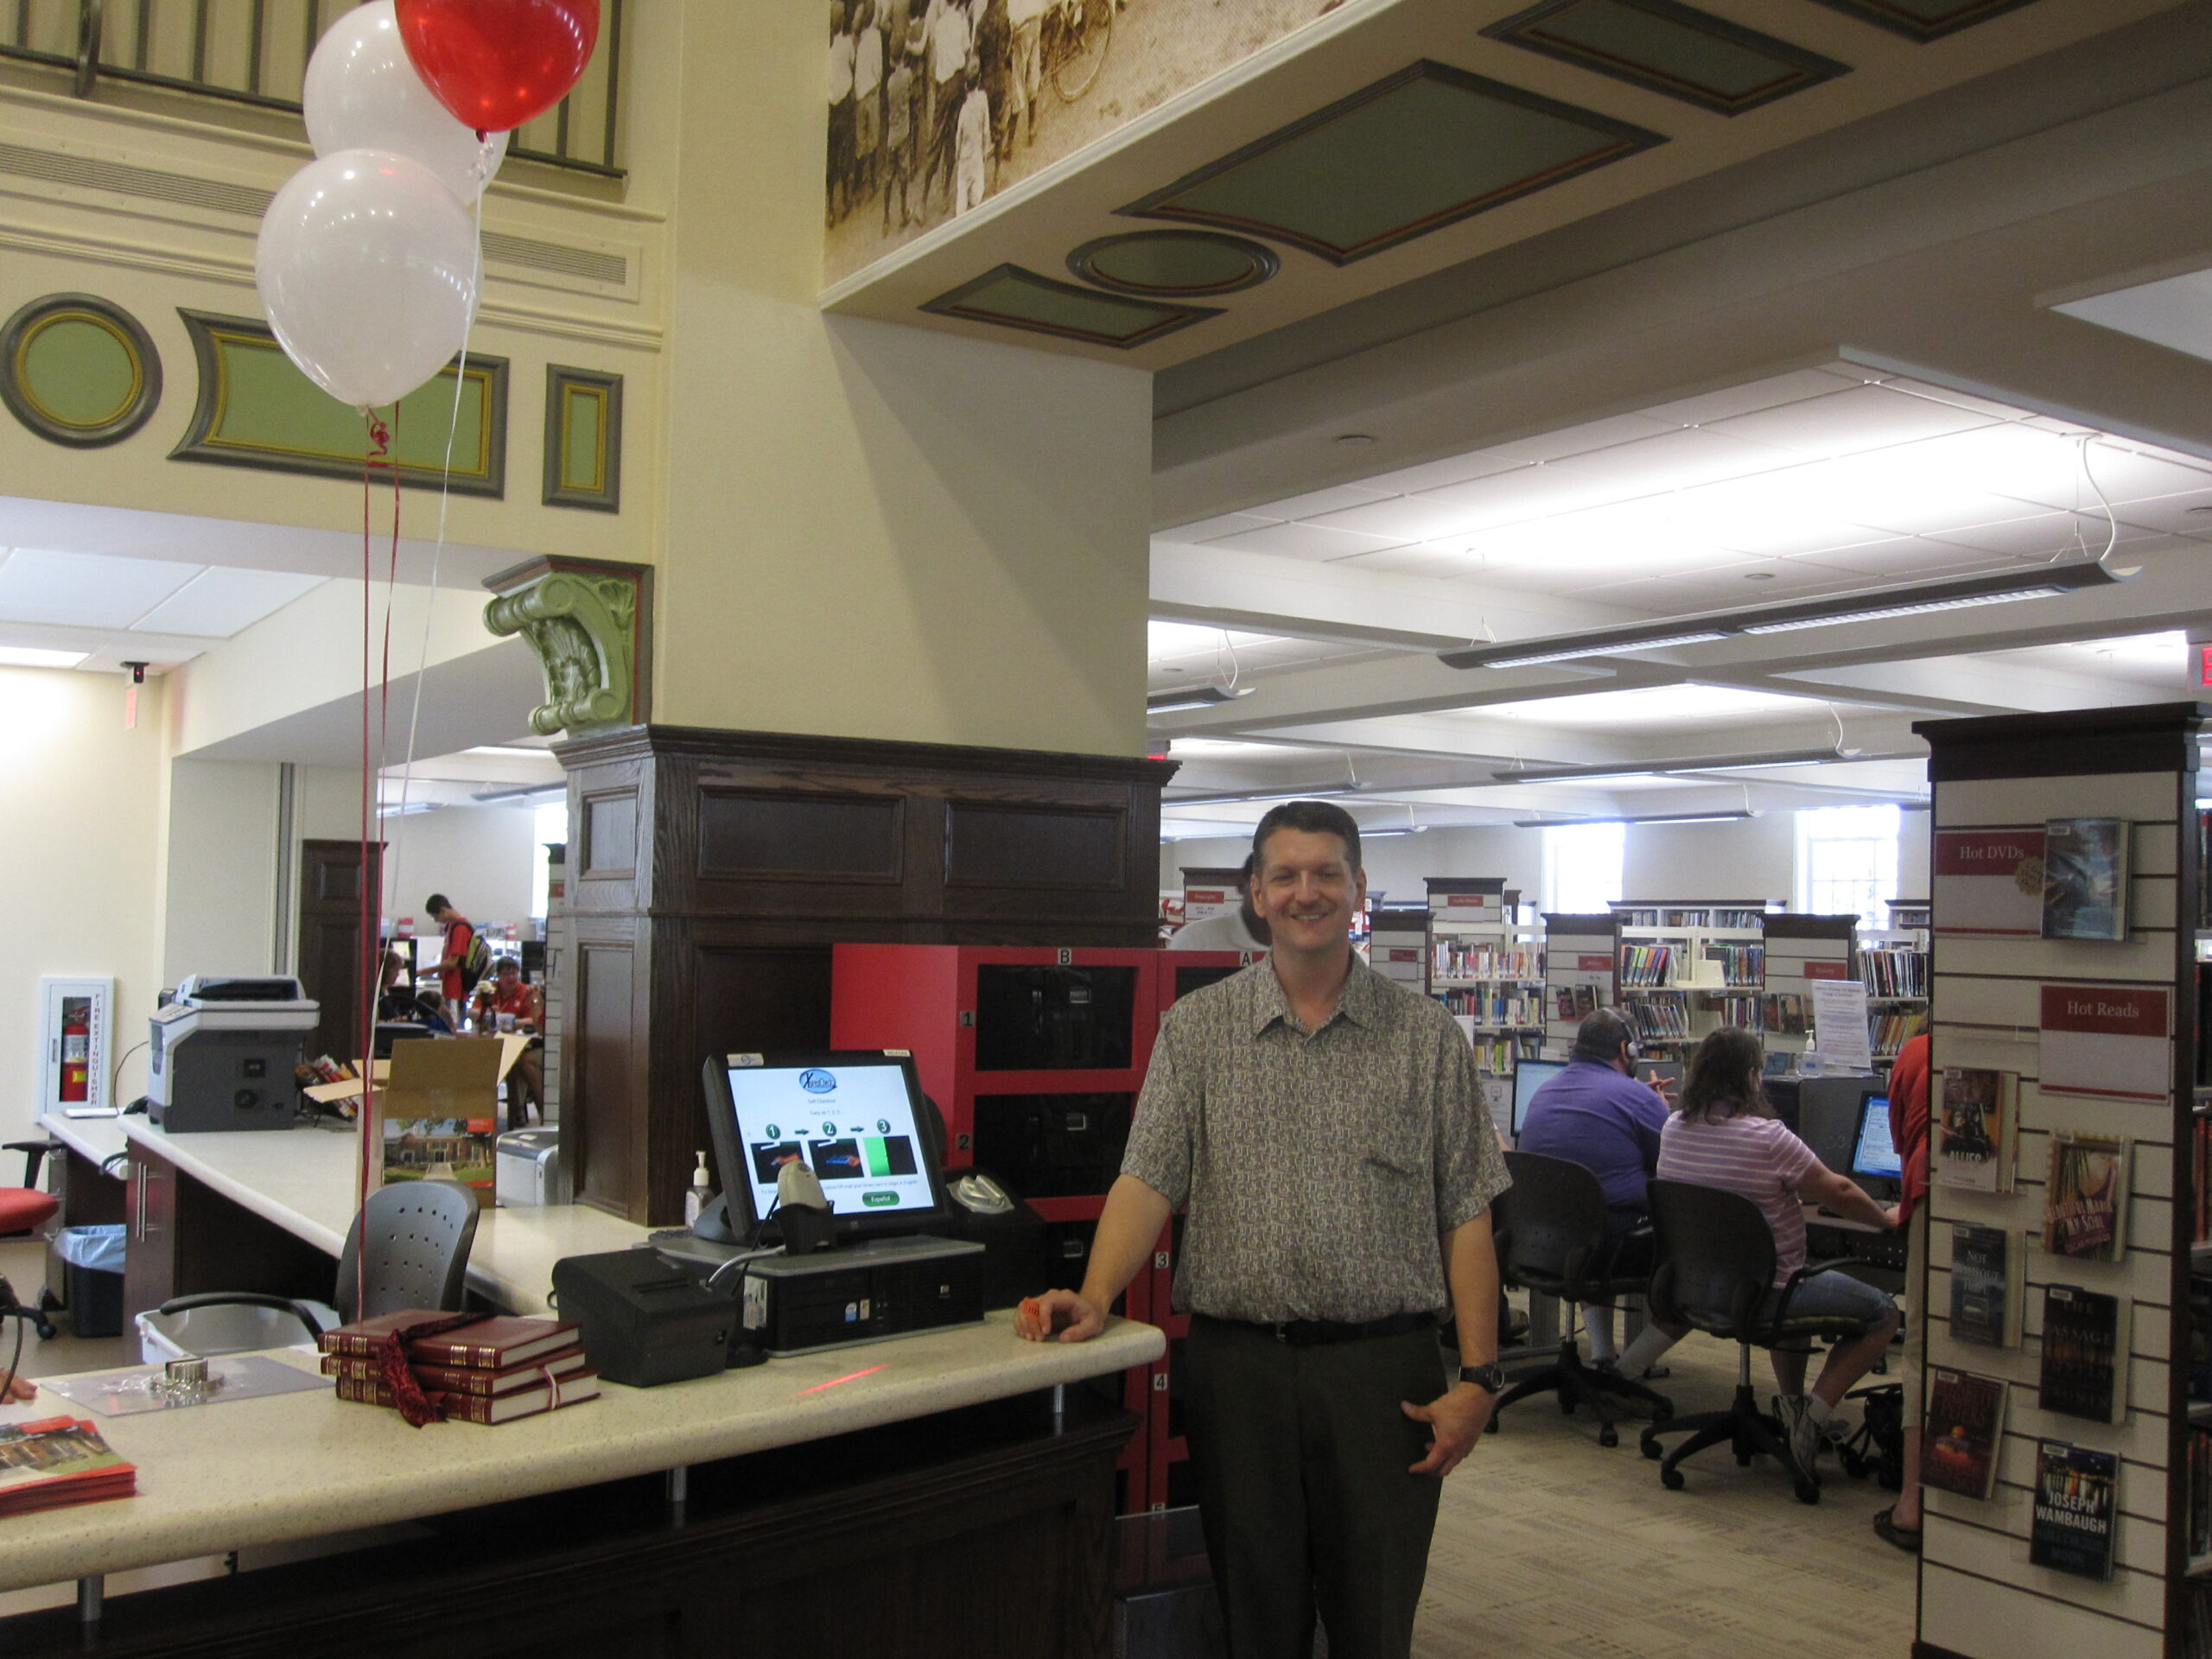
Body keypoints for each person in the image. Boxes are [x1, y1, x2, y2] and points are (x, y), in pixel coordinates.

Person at [1017, 799, 1510, 1658]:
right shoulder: (1198, 1029)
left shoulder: (1425, 1038)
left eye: (1326, 874)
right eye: (1285, 875)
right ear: (1256, 892)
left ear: (1358, 888)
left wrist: (1479, 1377)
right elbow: (1147, 1178)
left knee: (1374, 1625)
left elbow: (1465, 1212)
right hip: (1238, 1371)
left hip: (1382, 1377)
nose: (1305, 892)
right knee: (1256, 1622)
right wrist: (1097, 1296)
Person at [1656, 1027, 1901, 1486]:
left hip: (1700, 1286)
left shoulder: (1673, 1128)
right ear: (1751, 1077)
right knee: (1883, 1313)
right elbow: (1839, 1189)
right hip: (1768, 1293)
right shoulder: (1768, 1137)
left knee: (1794, 1279)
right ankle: (1813, 1417)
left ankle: (1791, 1407)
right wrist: (1884, 1220)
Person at [1514, 1007, 1688, 1380]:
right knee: (1697, 1262)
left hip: (1542, 1244)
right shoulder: (1636, 1098)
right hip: (1609, 1246)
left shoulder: (1545, 1091)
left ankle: (1602, 1357)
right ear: (1626, 1049)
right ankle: (1626, 1371)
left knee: (1588, 1215)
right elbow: (1674, 1167)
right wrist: (1659, 1111)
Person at [1875, 1029, 1931, 1552]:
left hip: (1928, 1192)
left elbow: (1900, 1138)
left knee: (1920, 1348)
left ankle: (1912, 1502)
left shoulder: (1914, 1052)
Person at [473, 958, 547, 1130]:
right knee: (487, 1062)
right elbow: (473, 1011)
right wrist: (490, 1015)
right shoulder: (489, 990)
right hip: (496, 1041)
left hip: (525, 1044)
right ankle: (488, 1113)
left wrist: (513, 1022)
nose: (511, 977)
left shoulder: (526, 992)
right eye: (506, 974)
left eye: (514, 973)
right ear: (498, 976)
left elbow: (534, 1020)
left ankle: (522, 1110)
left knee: (519, 1062)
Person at [1168, 853, 1272, 953]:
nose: (1272, 895)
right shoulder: (1194, 940)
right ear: (1241, 885)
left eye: (1280, 883)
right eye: (1260, 885)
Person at [425, 894, 478, 1013]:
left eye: (435, 917)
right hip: (449, 987)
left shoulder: (460, 928)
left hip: (457, 988)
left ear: (443, 911)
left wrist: (425, 971)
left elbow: (452, 963)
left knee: (454, 1022)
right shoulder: (451, 926)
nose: (436, 921)